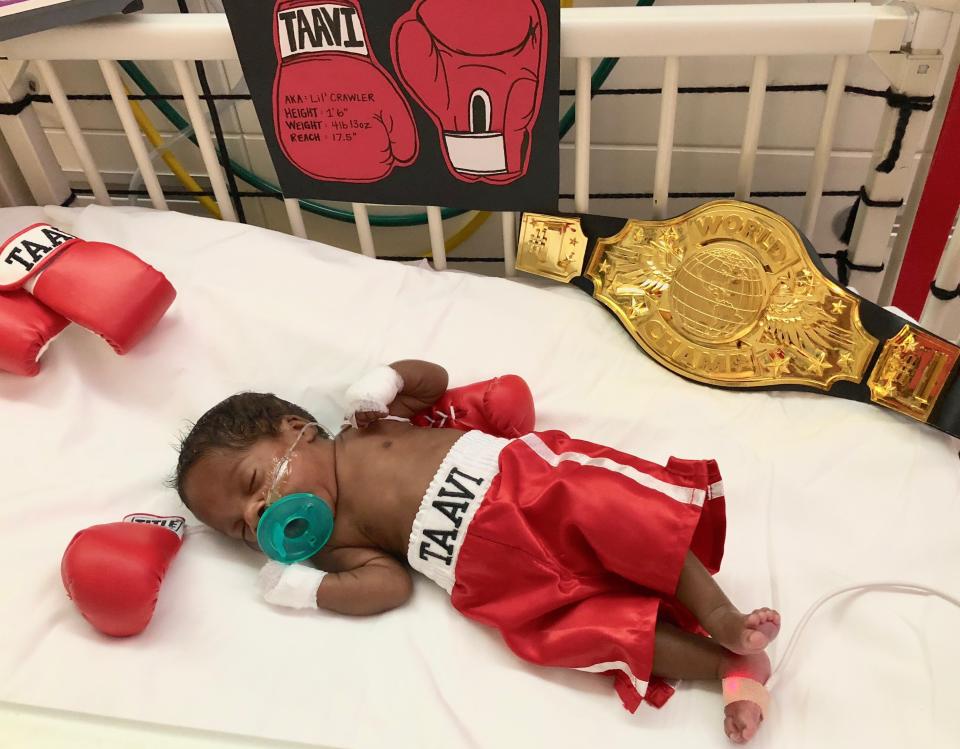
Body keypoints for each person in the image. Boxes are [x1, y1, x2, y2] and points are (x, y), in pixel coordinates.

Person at [174, 360, 779, 744]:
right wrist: (311, 590)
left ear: (295, 429)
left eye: (255, 486)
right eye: (242, 531)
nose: (258, 516)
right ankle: (726, 666)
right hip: (497, 579)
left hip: (526, 488)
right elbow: (388, 586)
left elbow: (432, 382)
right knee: (575, 632)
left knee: (625, 519)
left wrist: (388, 378)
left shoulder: (369, 428)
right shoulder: (336, 543)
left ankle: (722, 617)